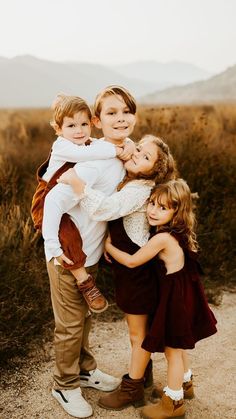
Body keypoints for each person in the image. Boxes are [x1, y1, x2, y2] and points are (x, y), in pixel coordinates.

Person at [57, 134, 177, 411]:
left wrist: (78, 185)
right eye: (139, 150)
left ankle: (132, 388)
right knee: (140, 330)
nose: (137, 156)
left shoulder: (139, 190)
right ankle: (144, 377)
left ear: (155, 171)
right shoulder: (132, 179)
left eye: (146, 157)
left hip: (138, 273)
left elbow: (106, 208)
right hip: (130, 270)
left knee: (138, 335)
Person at [40, 86, 137, 418]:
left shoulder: (103, 150)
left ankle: (84, 370)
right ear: (100, 120)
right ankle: (64, 386)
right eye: (111, 113)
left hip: (91, 253)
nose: (120, 118)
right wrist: (52, 248)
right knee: (69, 325)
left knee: (82, 321)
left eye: (125, 111)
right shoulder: (96, 160)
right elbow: (54, 200)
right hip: (66, 256)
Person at [104, 179, 217, 419]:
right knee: (179, 345)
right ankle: (186, 384)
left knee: (172, 351)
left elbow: (133, 261)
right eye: (152, 203)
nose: (153, 211)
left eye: (163, 207)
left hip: (175, 301)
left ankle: (172, 404)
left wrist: (109, 246)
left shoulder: (162, 239)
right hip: (183, 296)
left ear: (177, 211)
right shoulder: (179, 231)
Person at [31, 93, 134, 314]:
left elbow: (96, 146)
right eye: (71, 126)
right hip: (44, 198)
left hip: (60, 198)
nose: (79, 130)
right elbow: (95, 151)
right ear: (58, 129)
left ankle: (84, 279)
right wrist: (117, 150)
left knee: (71, 234)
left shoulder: (87, 143)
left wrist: (129, 145)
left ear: (91, 123)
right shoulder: (62, 146)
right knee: (67, 236)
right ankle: (84, 281)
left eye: (84, 124)